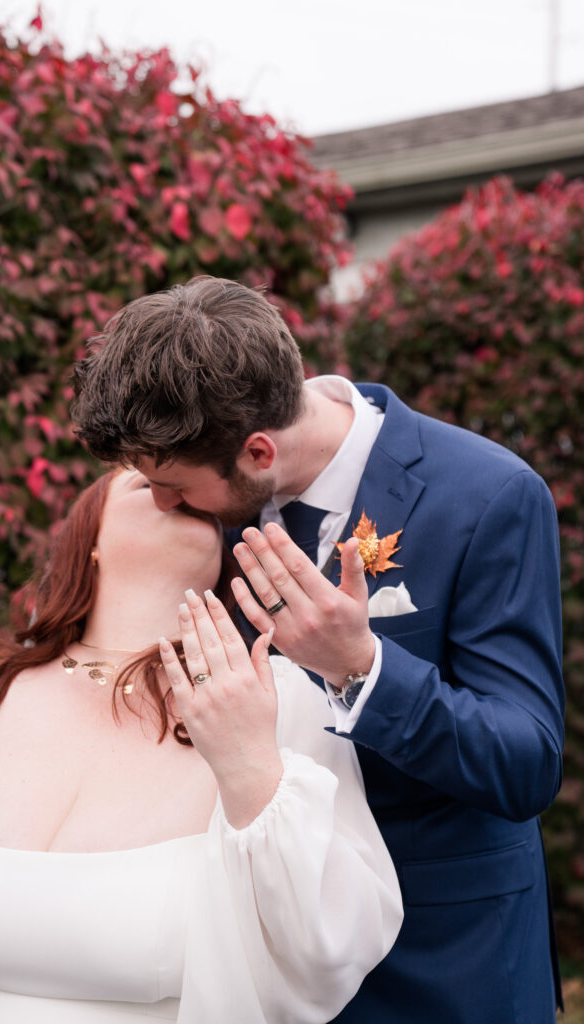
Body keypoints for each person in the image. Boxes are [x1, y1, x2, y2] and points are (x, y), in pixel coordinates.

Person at [71, 275, 566, 1024]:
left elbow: (524, 762)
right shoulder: (201, 523)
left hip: (442, 961)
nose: (159, 504)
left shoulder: (490, 495)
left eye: (170, 484)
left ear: (258, 450)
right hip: (252, 964)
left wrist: (361, 668)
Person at [0, 466, 402, 1024]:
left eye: (195, 486)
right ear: (88, 542)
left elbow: (336, 940)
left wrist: (248, 767)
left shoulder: (274, 695)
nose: (177, 489)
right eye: (147, 483)